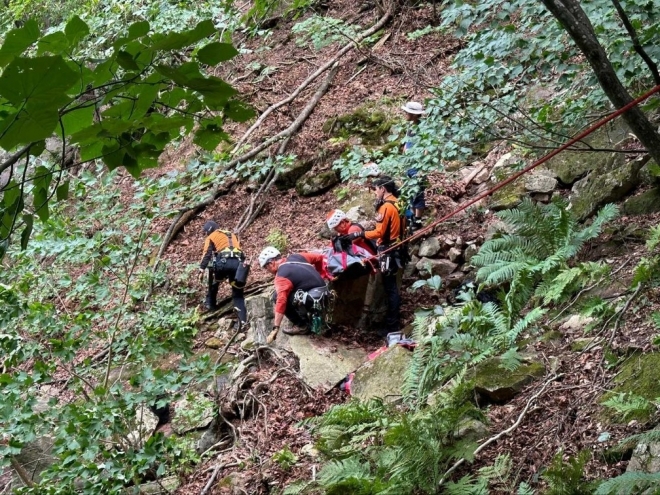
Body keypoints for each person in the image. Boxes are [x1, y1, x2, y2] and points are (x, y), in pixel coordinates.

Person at [341, 176, 402, 334]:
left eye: (375, 189)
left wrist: (361, 233)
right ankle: (392, 323)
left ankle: (392, 326)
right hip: (398, 246)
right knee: (392, 287)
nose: (375, 193)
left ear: (383, 188)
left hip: (389, 249)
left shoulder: (386, 207)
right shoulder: (399, 202)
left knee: (390, 288)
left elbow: (380, 232)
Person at [258, 246, 332, 338]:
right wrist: (321, 274)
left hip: (314, 300)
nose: (267, 271)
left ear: (271, 263)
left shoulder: (281, 276)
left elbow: (281, 301)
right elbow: (319, 257)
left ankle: (302, 326)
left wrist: (276, 327)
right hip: (326, 293)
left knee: (276, 296)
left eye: (266, 268)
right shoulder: (297, 257)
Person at [199, 221, 248, 324]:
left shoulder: (211, 236)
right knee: (238, 294)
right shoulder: (231, 234)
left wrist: (201, 269)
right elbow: (240, 252)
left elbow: (207, 254)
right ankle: (242, 321)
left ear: (209, 231)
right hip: (238, 264)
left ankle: (211, 305)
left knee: (215, 281)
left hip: (223, 263)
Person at [401, 101, 427, 232]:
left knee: (418, 193)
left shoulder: (422, 128)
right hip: (409, 165)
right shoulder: (410, 126)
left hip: (417, 166)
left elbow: (426, 148)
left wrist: (422, 168)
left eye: (407, 112)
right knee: (411, 193)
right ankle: (412, 218)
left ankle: (418, 220)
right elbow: (406, 144)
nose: (405, 113)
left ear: (414, 114)